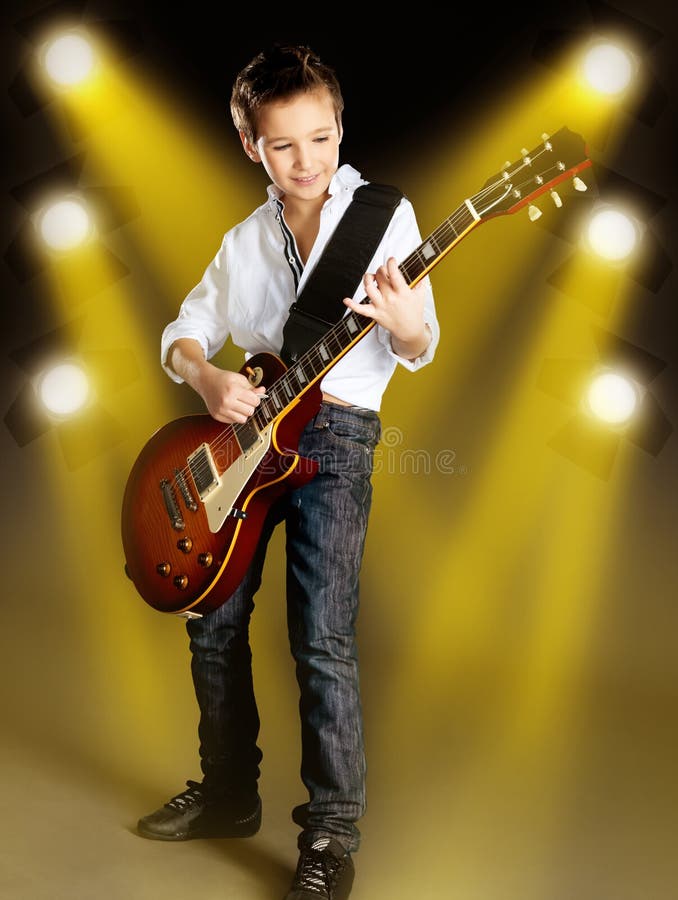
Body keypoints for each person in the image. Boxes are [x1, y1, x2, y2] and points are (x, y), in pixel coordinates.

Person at [137, 43, 440, 900]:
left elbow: (417, 347)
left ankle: (331, 834)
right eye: (284, 145)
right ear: (251, 147)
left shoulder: (386, 215)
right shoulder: (242, 242)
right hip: (244, 450)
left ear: (341, 126)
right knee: (213, 621)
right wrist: (209, 377)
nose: (308, 160)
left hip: (337, 443)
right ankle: (228, 796)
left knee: (324, 638)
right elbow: (186, 331)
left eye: (322, 136)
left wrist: (408, 323)